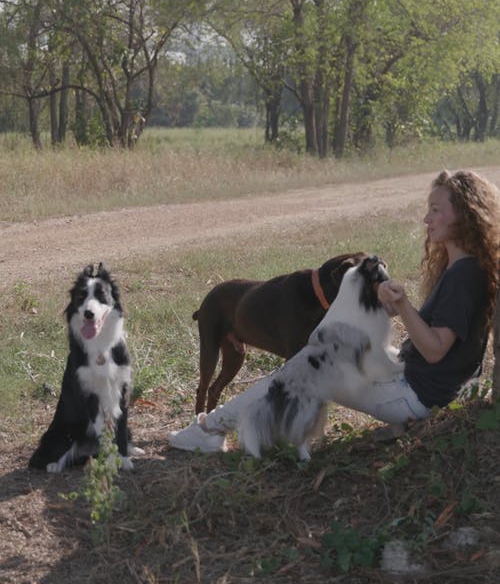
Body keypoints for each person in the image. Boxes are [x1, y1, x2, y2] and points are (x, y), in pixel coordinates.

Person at [168, 169, 500, 454]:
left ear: (466, 214)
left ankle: (209, 431)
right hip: (415, 383)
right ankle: (225, 428)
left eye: (436, 209)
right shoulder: (462, 269)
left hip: (414, 398)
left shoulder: (464, 275)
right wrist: (392, 308)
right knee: (322, 352)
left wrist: (402, 304)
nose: (427, 218)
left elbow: (435, 349)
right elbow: (435, 340)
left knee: (305, 364)